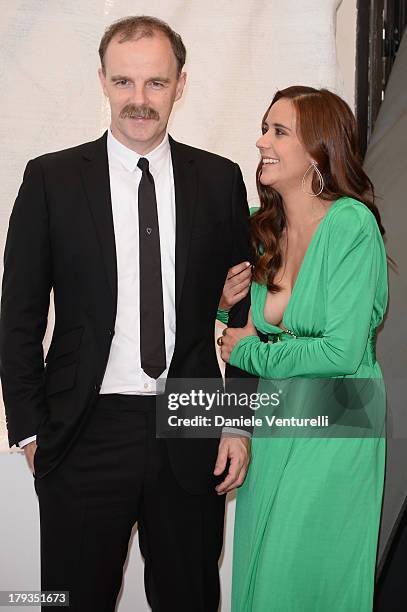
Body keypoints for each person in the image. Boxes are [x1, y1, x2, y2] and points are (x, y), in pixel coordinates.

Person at [0, 16, 253, 612]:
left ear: (180, 85)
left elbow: (244, 320)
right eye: (124, 82)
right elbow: (17, 319)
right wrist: (33, 431)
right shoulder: (50, 180)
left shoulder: (220, 181)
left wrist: (238, 422)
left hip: (188, 422)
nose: (139, 100)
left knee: (190, 597)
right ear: (103, 82)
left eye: (156, 84)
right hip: (82, 431)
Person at [219, 86, 388, 611]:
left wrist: (249, 352)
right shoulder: (259, 226)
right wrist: (226, 306)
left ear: (318, 149)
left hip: (340, 417)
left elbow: (340, 352)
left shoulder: (351, 225)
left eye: (278, 131)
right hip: (274, 417)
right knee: (258, 565)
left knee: (302, 571)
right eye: (264, 128)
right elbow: (238, 326)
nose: (261, 141)